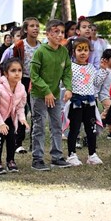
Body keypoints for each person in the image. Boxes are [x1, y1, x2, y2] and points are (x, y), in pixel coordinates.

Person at [29, 19, 73, 171]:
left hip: (54, 95)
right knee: (39, 126)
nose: (60, 35)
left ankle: (57, 156)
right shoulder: (40, 52)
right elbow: (34, 75)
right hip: (39, 95)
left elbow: (67, 70)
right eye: (56, 32)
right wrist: (46, 91)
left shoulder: (63, 51)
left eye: (62, 32)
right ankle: (37, 159)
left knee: (57, 125)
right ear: (47, 34)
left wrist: (68, 87)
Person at [0, 58, 27, 174]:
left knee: (11, 138)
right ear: (6, 73)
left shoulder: (21, 88)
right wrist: (0, 123)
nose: (17, 73)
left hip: (10, 117)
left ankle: (11, 161)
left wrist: (22, 118)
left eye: (19, 70)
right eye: (13, 70)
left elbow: (20, 106)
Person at [65, 37, 102, 166]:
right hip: (76, 102)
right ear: (74, 51)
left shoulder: (91, 67)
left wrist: (103, 70)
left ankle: (92, 154)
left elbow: (96, 83)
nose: (83, 53)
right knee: (74, 129)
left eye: (86, 50)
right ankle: (71, 154)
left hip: (90, 102)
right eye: (79, 50)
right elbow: (66, 82)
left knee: (91, 129)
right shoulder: (70, 66)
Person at [12, 17, 41, 154]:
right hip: (22, 81)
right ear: (25, 29)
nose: (35, 28)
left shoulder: (42, 46)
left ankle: (34, 142)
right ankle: (18, 142)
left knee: (36, 112)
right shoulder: (19, 46)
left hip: (36, 81)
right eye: (32, 26)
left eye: (37, 26)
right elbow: (14, 63)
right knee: (21, 111)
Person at [95, 48, 111, 140]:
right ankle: (101, 120)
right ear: (106, 59)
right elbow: (98, 82)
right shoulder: (103, 70)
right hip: (104, 95)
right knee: (110, 108)